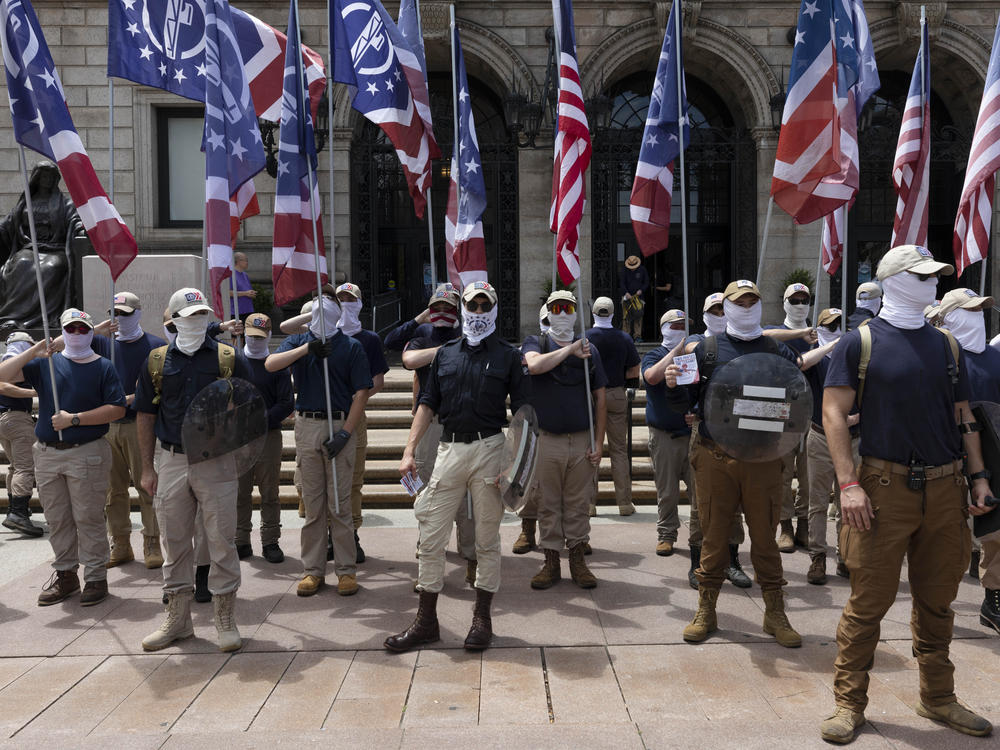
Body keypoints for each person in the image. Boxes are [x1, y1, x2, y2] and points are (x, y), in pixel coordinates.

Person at [820, 246, 994, 743]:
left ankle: (937, 697)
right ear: (893, 281)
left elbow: (964, 418)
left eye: (935, 276)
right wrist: (848, 483)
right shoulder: (860, 343)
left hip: (945, 488)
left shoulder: (946, 345)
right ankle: (848, 703)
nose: (932, 284)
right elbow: (833, 414)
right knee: (868, 602)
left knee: (938, 601)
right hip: (881, 488)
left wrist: (978, 476)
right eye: (921, 276)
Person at [664, 280, 833, 647]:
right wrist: (674, 385)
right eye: (738, 302)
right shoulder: (705, 348)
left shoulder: (776, 349)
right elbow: (684, 406)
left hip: (763, 459)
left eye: (752, 300)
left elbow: (795, 398)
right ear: (725, 307)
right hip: (715, 457)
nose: (746, 307)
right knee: (713, 535)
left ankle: (775, 612)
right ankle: (706, 609)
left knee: (765, 539)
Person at [385, 281, 529, 652]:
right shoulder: (445, 354)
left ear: (494, 310)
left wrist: (514, 467)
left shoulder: (508, 356)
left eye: (485, 305)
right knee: (431, 530)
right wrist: (409, 450)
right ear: (463, 307)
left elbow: (525, 416)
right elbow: (427, 403)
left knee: (485, 539)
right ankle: (426, 620)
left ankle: (482, 618)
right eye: (472, 305)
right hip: (449, 448)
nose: (478, 312)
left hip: (490, 449)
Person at [136, 288, 251, 652]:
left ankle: (225, 617)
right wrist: (146, 468)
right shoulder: (156, 360)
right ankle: (178, 621)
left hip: (215, 461)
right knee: (174, 542)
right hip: (171, 460)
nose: (195, 322)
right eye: (188, 316)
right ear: (172, 320)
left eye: (202, 315)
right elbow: (145, 414)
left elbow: (251, 407)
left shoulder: (228, 357)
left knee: (221, 541)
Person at [0, 309, 126, 606]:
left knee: (88, 517)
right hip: (47, 454)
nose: (78, 334)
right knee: (57, 519)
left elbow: (117, 409)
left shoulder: (103, 367)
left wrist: (75, 419)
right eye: (72, 329)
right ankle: (66, 575)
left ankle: (95, 577)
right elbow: (3, 376)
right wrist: (37, 348)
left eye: (84, 329)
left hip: (86, 452)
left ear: (91, 332)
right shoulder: (46, 365)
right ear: (63, 332)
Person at [267, 285, 372, 597]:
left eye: (329, 308)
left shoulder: (352, 347)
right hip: (307, 423)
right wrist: (306, 350)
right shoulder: (298, 341)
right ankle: (313, 570)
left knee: (339, 505)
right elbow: (271, 364)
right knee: (313, 506)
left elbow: (362, 393)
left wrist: (345, 433)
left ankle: (346, 570)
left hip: (339, 422)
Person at [523, 290, 606, 590]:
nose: (562, 313)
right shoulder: (537, 342)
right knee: (548, 504)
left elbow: (600, 399)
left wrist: (598, 442)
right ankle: (550, 561)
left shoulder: (590, 350)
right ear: (547, 312)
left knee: (578, 503)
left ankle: (578, 560)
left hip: (581, 438)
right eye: (556, 307)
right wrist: (569, 350)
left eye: (567, 308)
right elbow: (534, 366)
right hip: (548, 439)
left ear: (575, 313)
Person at [397, 286, 478, 583]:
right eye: (437, 306)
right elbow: (409, 360)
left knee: (467, 497)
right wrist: (445, 350)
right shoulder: (422, 337)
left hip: (461, 422)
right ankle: (427, 543)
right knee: (422, 486)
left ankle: (470, 555)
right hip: (429, 422)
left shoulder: (469, 337)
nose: (443, 311)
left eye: (449, 306)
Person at [935, 288, 1000, 636]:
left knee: (995, 534)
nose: (977, 316)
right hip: (944, 458)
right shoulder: (937, 358)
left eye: (981, 310)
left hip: (990, 458)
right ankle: (935, 605)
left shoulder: (994, 357)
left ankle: (992, 598)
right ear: (948, 318)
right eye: (969, 310)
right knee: (949, 539)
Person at [91, 292, 166, 570]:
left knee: (147, 487)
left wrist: (128, 399)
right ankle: (121, 542)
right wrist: (96, 330)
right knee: (113, 490)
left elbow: (159, 388)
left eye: (125, 313)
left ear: (138, 313)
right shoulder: (100, 343)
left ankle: (152, 541)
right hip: (108, 426)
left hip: (139, 424)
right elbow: (55, 347)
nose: (119, 319)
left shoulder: (155, 346)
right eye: (115, 313)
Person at [681, 293, 750, 589]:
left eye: (725, 308)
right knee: (701, 501)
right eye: (715, 309)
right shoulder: (698, 343)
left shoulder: (747, 342)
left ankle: (732, 560)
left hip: (738, 430)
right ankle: (697, 561)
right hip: (705, 431)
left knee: (735, 501)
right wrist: (690, 410)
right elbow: (683, 390)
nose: (721, 314)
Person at [336, 282, 389, 563]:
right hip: (325, 414)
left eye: (350, 299)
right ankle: (330, 535)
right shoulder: (322, 336)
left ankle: (352, 533)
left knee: (354, 479)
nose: (345, 303)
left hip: (355, 415)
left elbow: (378, 380)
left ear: (359, 304)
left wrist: (357, 396)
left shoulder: (369, 340)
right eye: (339, 299)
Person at [803, 309, 857, 585]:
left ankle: (845, 555)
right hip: (821, 436)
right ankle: (817, 556)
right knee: (818, 501)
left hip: (851, 437)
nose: (835, 328)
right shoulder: (818, 359)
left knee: (848, 500)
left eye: (839, 325)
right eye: (829, 325)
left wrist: (859, 416)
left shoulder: (855, 356)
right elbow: (801, 364)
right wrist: (828, 346)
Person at [235, 313, 293, 563]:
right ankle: (240, 539)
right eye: (251, 337)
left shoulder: (277, 364)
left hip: (268, 434)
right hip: (238, 437)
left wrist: (261, 419)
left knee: (269, 492)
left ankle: (270, 540)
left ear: (269, 336)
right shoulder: (234, 361)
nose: (256, 342)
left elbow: (286, 402)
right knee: (240, 491)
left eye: (260, 337)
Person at [0, 162, 85, 330]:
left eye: (50, 176)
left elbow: (75, 221)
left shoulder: (65, 204)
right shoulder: (24, 205)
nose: (47, 179)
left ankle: (45, 318)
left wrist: (81, 228)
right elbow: (7, 225)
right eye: (44, 176)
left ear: (55, 179)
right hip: (30, 248)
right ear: (37, 178)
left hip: (56, 249)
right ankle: (12, 316)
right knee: (21, 264)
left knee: (53, 267)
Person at [765, 283, 815, 553]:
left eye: (804, 300)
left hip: (811, 412)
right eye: (793, 300)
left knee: (808, 473)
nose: (799, 304)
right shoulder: (778, 333)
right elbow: (764, 335)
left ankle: (804, 523)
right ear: (784, 302)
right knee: (782, 473)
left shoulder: (820, 332)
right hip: (782, 412)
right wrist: (801, 333)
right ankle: (785, 525)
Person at [642, 310, 693, 557]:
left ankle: (700, 535)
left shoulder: (696, 354)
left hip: (692, 435)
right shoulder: (654, 355)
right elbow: (651, 378)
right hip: (664, 436)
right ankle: (666, 534)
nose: (681, 329)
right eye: (676, 326)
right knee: (668, 491)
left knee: (700, 490)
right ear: (664, 329)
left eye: (685, 326)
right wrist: (676, 351)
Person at [585, 296, 639, 516]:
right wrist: (626, 384)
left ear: (594, 313)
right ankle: (624, 502)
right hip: (616, 392)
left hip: (591, 395)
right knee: (618, 451)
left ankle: (589, 504)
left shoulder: (585, 337)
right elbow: (634, 369)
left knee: (590, 449)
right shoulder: (624, 337)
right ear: (614, 313)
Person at [512, 304, 552, 554]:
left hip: (563, 424)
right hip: (532, 423)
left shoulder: (576, 348)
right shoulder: (530, 345)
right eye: (549, 317)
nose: (555, 321)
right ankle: (527, 529)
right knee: (528, 481)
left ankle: (576, 535)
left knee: (569, 486)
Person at [0, 331, 43, 537]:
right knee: (26, 467)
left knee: (16, 466)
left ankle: (15, 510)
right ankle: (18, 513)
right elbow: (2, 386)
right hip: (16, 418)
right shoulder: (12, 362)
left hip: (6, 420)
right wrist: (34, 393)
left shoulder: (6, 361)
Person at [620, 255, 649, 341]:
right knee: (626, 317)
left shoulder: (642, 270)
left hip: (639, 298)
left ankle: (637, 336)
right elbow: (622, 283)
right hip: (626, 297)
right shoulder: (624, 270)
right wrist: (626, 292)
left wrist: (641, 290)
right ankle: (626, 336)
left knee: (638, 316)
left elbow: (646, 282)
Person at [227, 252, 256, 321]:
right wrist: (245, 293)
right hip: (237, 312)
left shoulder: (245, 275)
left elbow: (247, 290)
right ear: (238, 261)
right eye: (246, 260)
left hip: (249, 310)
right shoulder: (230, 274)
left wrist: (251, 294)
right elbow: (227, 293)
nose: (247, 262)